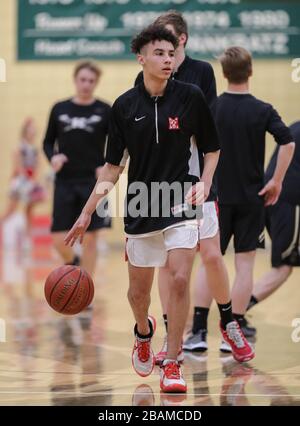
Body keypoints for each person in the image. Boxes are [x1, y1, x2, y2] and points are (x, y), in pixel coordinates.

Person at [65, 25, 252, 393]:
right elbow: (114, 166)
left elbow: (212, 149)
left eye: (171, 54)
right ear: (142, 58)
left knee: (180, 278)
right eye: (160, 54)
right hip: (141, 202)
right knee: (139, 293)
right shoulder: (123, 105)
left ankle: (172, 362)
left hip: (181, 197)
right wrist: (88, 211)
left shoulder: (191, 97)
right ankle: (143, 331)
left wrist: (206, 182)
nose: (168, 60)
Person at [136, 10, 244, 361]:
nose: (162, 51)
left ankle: (229, 322)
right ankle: (172, 337)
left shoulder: (200, 74)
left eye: (167, 43)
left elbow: (205, 130)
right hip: (161, 187)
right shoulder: (147, 76)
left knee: (212, 255)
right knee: (170, 267)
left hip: (197, 178)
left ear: (181, 40)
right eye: (156, 48)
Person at [188, 46, 295, 352]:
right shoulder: (262, 109)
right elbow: (287, 142)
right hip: (252, 198)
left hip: (214, 197)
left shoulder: (212, 108)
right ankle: (231, 329)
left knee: (210, 262)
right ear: (250, 71)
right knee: (245, 265)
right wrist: (276, 180)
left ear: (223, 73)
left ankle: (197, 331)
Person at [43, 61, 111, 278]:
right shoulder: (59, 108)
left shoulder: (104, 109)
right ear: (75, 80)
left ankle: (86, 289)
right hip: (64, 180)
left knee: (90, 237)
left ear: (96, 83)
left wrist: (106, 165)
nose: (86, 84)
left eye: (91, 81)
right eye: (83, 80)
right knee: (57, 238)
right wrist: (53, 157)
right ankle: (74, 262)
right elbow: (47, 142)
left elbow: (118, 144)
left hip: (93, 182)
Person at [247, 121, 300, 310]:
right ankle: (235, 314)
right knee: (284, 266)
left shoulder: (295, 127)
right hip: (287, 202)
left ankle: (235, 311)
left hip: (269, 197)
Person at [1, 118, 46, 240]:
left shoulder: (35, 149)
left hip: (30, 181)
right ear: (25, 131)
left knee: (29, 210)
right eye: (30, 129)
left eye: (34, 129)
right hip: (19, 182)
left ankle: (27, 238)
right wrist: (27, 179)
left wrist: (35, 181)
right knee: (10, 209)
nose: (33, 131)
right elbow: (18, 167)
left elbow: (37, 167)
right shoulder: (20, 147)